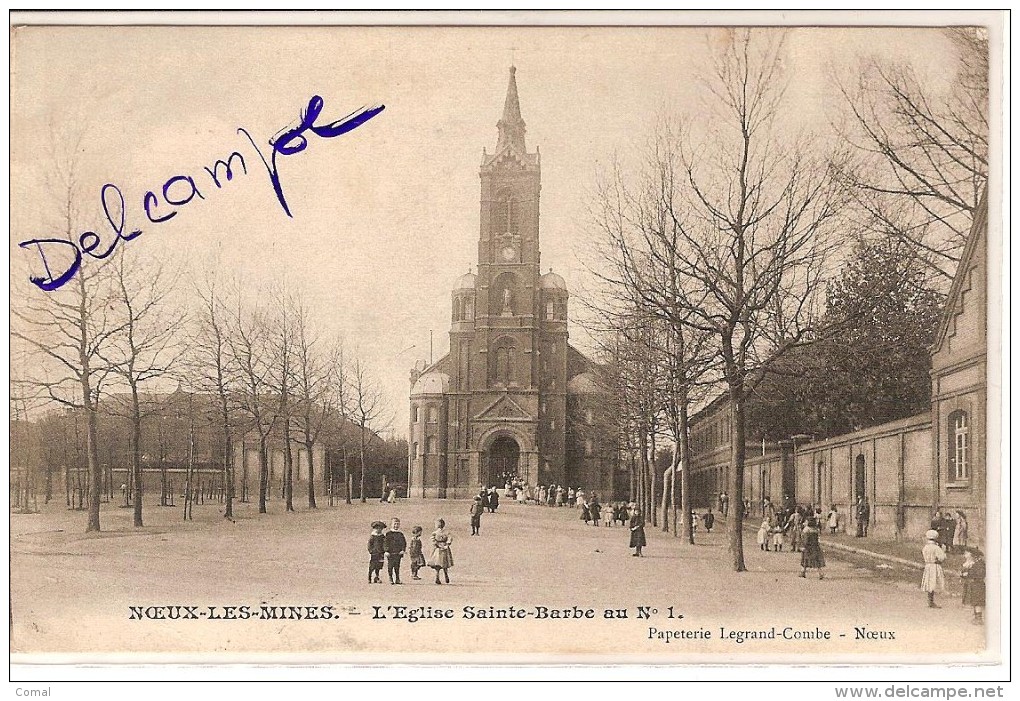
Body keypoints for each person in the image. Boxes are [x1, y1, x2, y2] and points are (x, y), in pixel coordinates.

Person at [921, 529, 947, 608]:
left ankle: (930, 600)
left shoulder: (925, 547)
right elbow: (942, 557)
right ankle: (931, 602)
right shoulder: (936, 548)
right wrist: (943, 551)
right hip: (935, 566)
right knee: (933, 582)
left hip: (928, 566)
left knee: (929, 582)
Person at [961, 547, 985, 624]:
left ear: (973, 555)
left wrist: (968, 574)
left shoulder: (979, 564)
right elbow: (965, 571)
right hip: (973, 585)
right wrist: (964, 574)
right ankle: (976, 616)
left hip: (978, 585)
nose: (965, 555)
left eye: (966, 553)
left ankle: (979, 618)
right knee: (974, 601)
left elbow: (980, 574)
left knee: (977, 601)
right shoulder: (971, 563)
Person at [428, 518, 454, 584]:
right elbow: (449, 538)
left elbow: (433, 540)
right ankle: (443, 576)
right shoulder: (443, 532)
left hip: (439, 548)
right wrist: (446, 545)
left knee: (439, 563)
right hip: (441, 548)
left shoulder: (437, 533)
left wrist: (439, 545)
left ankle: (441, 576)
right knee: (443, 563)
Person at [384, 518, 407, 585]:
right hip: (390, 553)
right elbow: (385, 543)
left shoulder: (400, 534)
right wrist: (386, 551)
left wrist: (403, 550)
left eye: (397, 524)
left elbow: (403, 543)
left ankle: (397, 579)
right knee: (390, 566)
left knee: (397, 566)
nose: (396, 525)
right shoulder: (388, 534)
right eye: (394, 524)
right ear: (391, 525)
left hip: (398, 553)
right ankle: (390, 578)